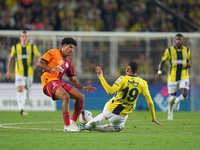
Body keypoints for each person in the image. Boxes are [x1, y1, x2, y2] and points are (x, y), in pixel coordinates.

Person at [80, 62, 160, 132]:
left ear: (128, 69)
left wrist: (100, 76)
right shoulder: (143, 83)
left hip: (110, 109)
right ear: (137, 71)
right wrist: (153, 117)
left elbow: (109, 91)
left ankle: (87, 123)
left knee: (102, 117)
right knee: (117, 128)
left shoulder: (122, 79)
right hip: (121, 117)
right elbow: (150, 102)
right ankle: (89, 124)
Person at [37, 37, 96, 132]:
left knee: (80, 96)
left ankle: (73, 122)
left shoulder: (68, 62)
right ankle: (67, 126)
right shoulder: (53, 52)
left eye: (73, 48)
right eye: (70, 47)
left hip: (58, 82)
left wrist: (83, 87)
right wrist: (51, 69)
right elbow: (39, 64)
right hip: (49, 81)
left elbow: (72, 78)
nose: (71, 50)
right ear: (64, 46)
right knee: (66, 97)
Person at [156, 33, 191, 120]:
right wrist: (159, 72)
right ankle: (170, 113)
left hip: (184, 76)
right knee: (172, 97)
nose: (178, 41)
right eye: (177, 39)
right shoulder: (169, 51)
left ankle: (177, 101)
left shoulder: (187, 50)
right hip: (172, 77)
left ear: (183, 41)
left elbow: (188, 61)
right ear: (174, 41)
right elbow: (162, 62)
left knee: (185, 94)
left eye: (180, 39)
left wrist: (188, 65)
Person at [6, 30, 40, 116]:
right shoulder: (15, 47)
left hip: (29, 73)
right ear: (20, 38)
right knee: (20, 89)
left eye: (25, 36)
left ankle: (24, 104)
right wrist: (8, 71)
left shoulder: (32, 47)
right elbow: (11, 59)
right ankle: (21, 108)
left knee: (27, 91)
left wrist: (37, 64)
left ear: (27, 38)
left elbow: (39, 56)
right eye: (22, 36)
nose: (24, 38)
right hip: (19, 73)